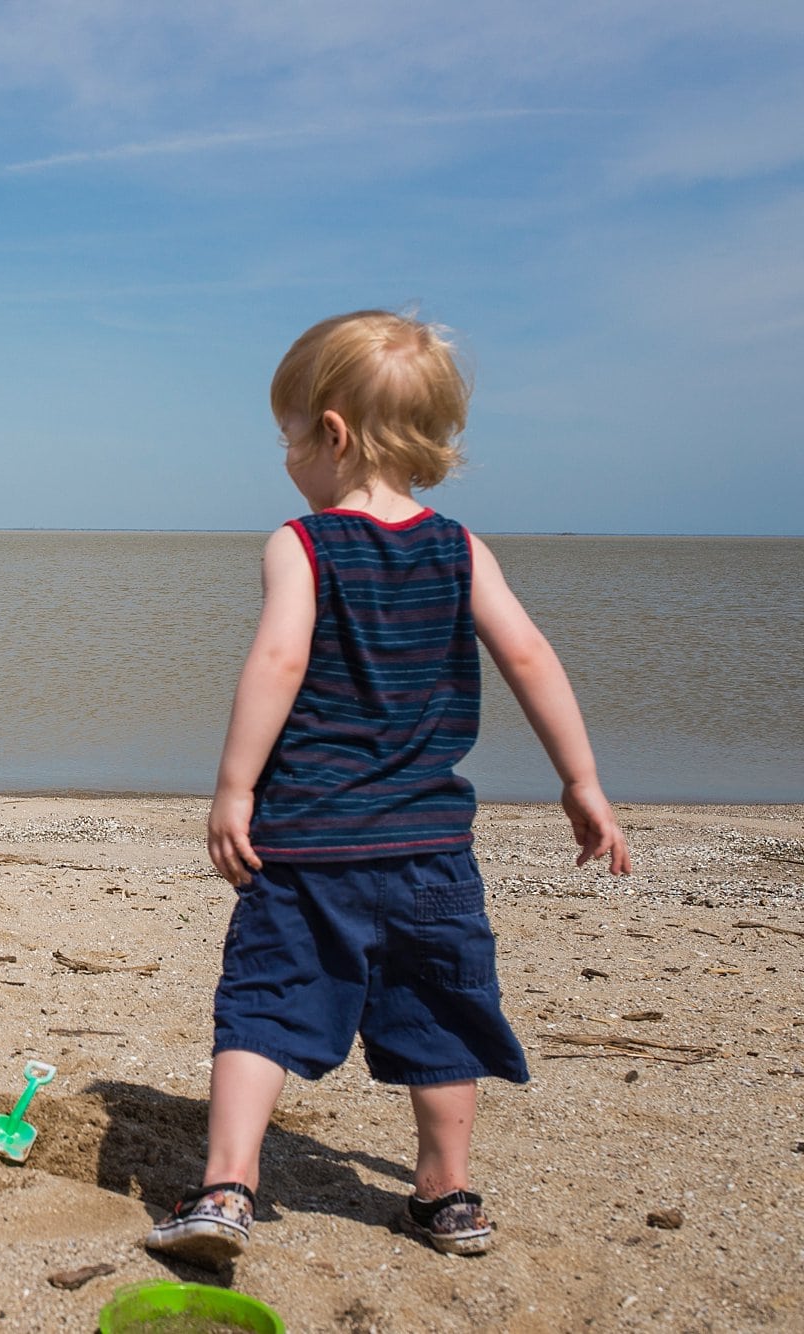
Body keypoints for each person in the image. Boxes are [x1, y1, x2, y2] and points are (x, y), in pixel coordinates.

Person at [144, 311, 631, 1268]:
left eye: (289, 437)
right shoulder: (460, 547)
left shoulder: (305, 543)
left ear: (331, 433)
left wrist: (234, 787)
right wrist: (582, 780)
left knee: (263, 1005)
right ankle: (447, 1197)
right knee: (445, 1016)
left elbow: (280, 658)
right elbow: (530, 655)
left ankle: (229, 1188)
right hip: (431, 853)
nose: (285, 458)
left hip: (309, 844)